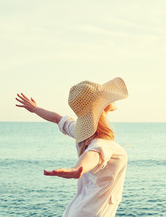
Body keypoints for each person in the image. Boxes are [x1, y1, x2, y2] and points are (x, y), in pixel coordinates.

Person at [15, 77, 129, 217]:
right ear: (102, 105)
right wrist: (76, 169)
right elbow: (92, 156)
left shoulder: (83, 134)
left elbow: (57, 118)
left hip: (77, 211)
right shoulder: (102, 144)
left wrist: (35, 109)